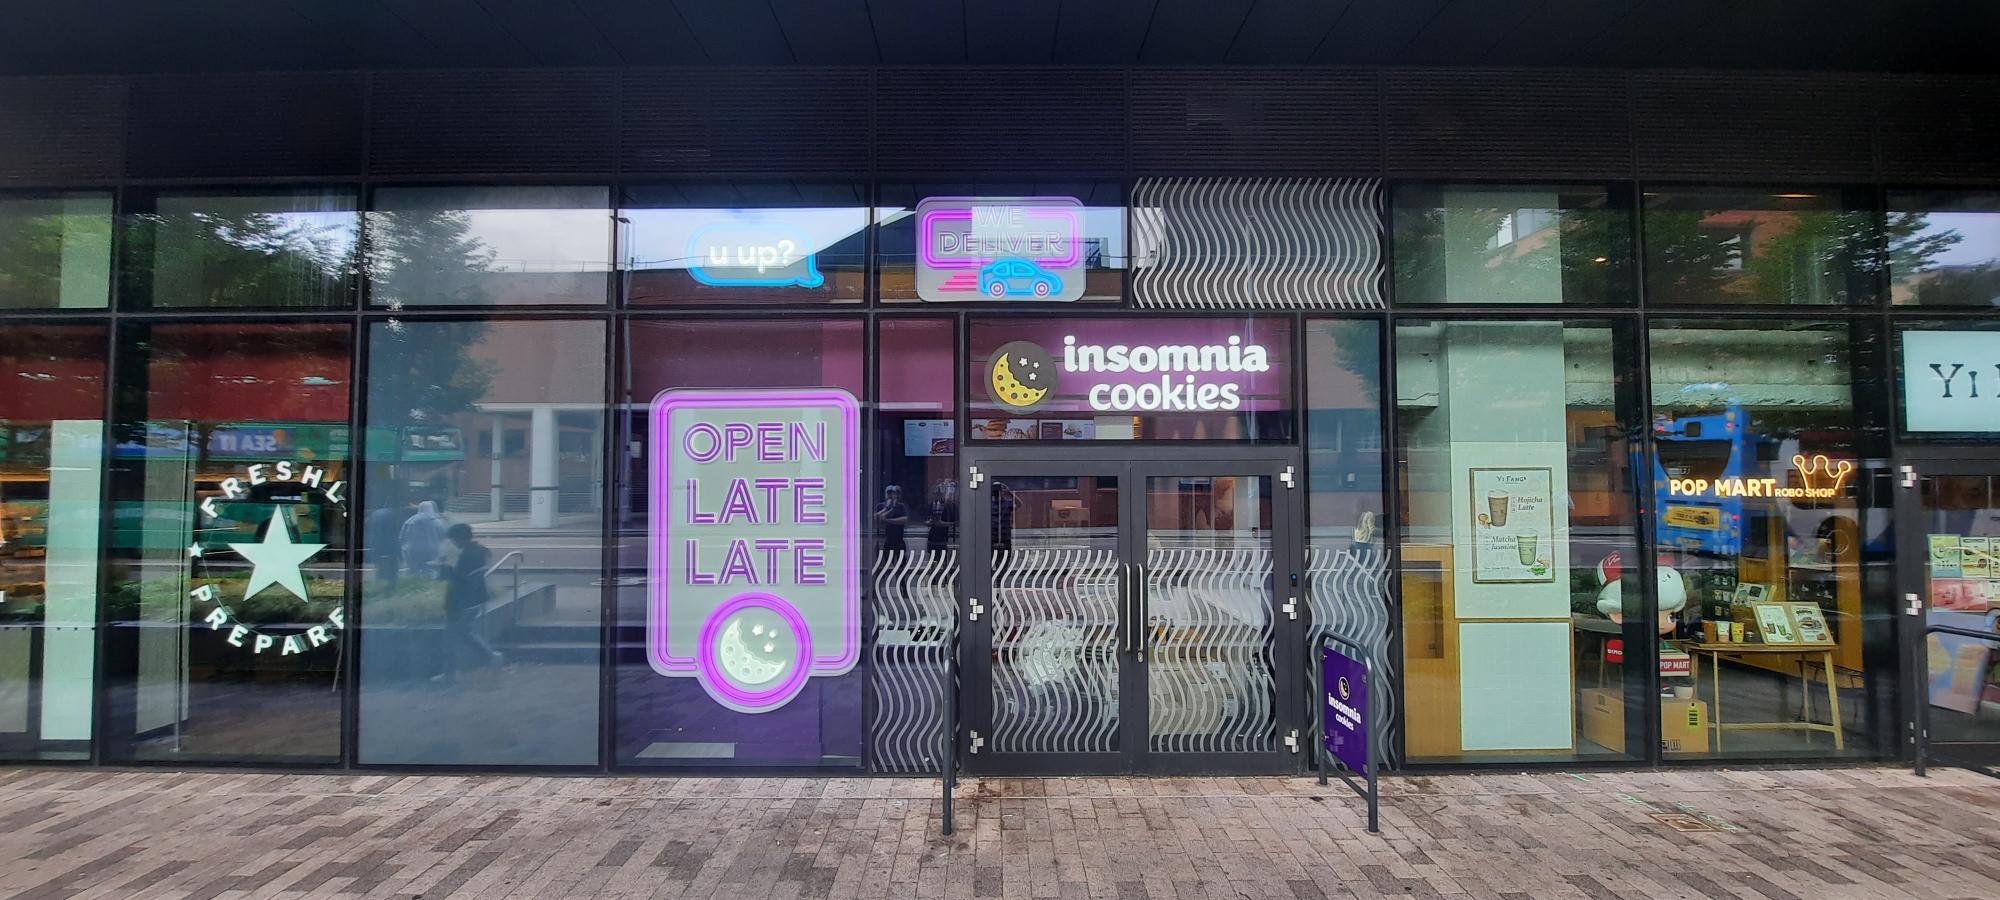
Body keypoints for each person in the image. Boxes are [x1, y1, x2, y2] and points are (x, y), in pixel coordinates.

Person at [436, 523, 503, 683]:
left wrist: (443, 567)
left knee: (451, 637)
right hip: (474, 599)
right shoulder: (479, 551)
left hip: (461, 601)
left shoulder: (466, 555)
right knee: (465, 633)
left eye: (454, 539)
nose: (453, 542)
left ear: (460, 537)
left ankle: (450, 673)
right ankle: (491, 656)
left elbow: (457, 577)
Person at [364, 496, 415, 588]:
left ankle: (379, 586)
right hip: (389, 546)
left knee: (380, 567)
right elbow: (395, 534)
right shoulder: (393, 514)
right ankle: (390, 589)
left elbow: (369, 527)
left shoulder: (375, 514)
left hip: (376, 544)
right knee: (392, 570)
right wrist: (399, 554)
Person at [398, 500, 447, 579]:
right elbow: (444, 537)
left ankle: (413, 586)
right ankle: (427, 587)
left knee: (414, 571)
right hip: (432, 551)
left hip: (413, 550)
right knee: (430, 571)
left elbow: (401, 537)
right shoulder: (437, 522)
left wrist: (404, 548)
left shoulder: (410, 521)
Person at [874, 485, 910, 559]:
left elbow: (904, 519)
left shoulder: (901, 506)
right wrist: (887, 508)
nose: (891, 496)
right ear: (885, 494)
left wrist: (888, 520)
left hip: (898, 539)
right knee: (885, 562)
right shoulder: (880, 506)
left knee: (901, 563)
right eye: (889, 493)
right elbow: (877, 519)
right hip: (884, 540)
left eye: (893, 494)